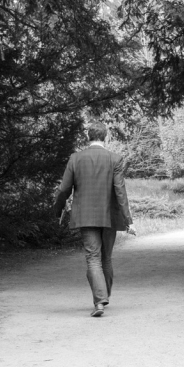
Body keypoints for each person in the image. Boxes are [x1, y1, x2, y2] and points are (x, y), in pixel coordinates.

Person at [54, 122, 136, 317]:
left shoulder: (76, 158)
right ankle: (103, 296)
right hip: (110, 216)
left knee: (93, 257)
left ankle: (100, 301)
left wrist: (58, 210)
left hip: (86, 215)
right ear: (105, 137)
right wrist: (128, 220)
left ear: (87, 137)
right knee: (105, 258)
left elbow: (64, 189)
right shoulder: (115, 159)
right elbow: (120, 191)